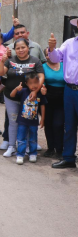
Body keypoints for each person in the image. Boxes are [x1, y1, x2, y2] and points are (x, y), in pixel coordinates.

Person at [2, 23, 47, 150]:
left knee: (28, 121)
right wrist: (1, 61)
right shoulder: (10, 59)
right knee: (13, 121)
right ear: (15, 49)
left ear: (28, 47)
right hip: (11, 96)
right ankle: (12, 145)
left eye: (23, 47)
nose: (21, 50)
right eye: (18, 48)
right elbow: (1, 72)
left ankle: (27, 145)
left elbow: (41, 76)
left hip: (29, 96)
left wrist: (36, 90)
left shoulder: (35, 60)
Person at [48, 27, 78, 169]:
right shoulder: (69, 43)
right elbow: (55, 58)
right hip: (69, 90)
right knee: (69, 125)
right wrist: (52, 48)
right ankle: (69, 158)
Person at [10, 74, 46, 165]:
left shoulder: (40, 93)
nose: (33, 85)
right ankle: (20, 155)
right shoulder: (23, 91)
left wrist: (43, 119)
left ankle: (33, 154)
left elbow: (42, 106)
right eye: (31, 83)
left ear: (39, 83)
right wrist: (16, 89)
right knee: (21, 138)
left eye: (35, 83)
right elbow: (12, 95)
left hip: (34, 122)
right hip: (22, 121)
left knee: (33, 138)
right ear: (26, 84)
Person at [42, 47, 65, 159]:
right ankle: (51, 148)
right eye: (48, 54)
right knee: (48, 124)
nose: (51, 55)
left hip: (62, 98)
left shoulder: (64, 65)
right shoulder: (43, 67)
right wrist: (43, 87)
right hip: (48, 98)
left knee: (58, 124)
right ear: (46, 56)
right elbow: (41, 80)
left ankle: (60, 150)